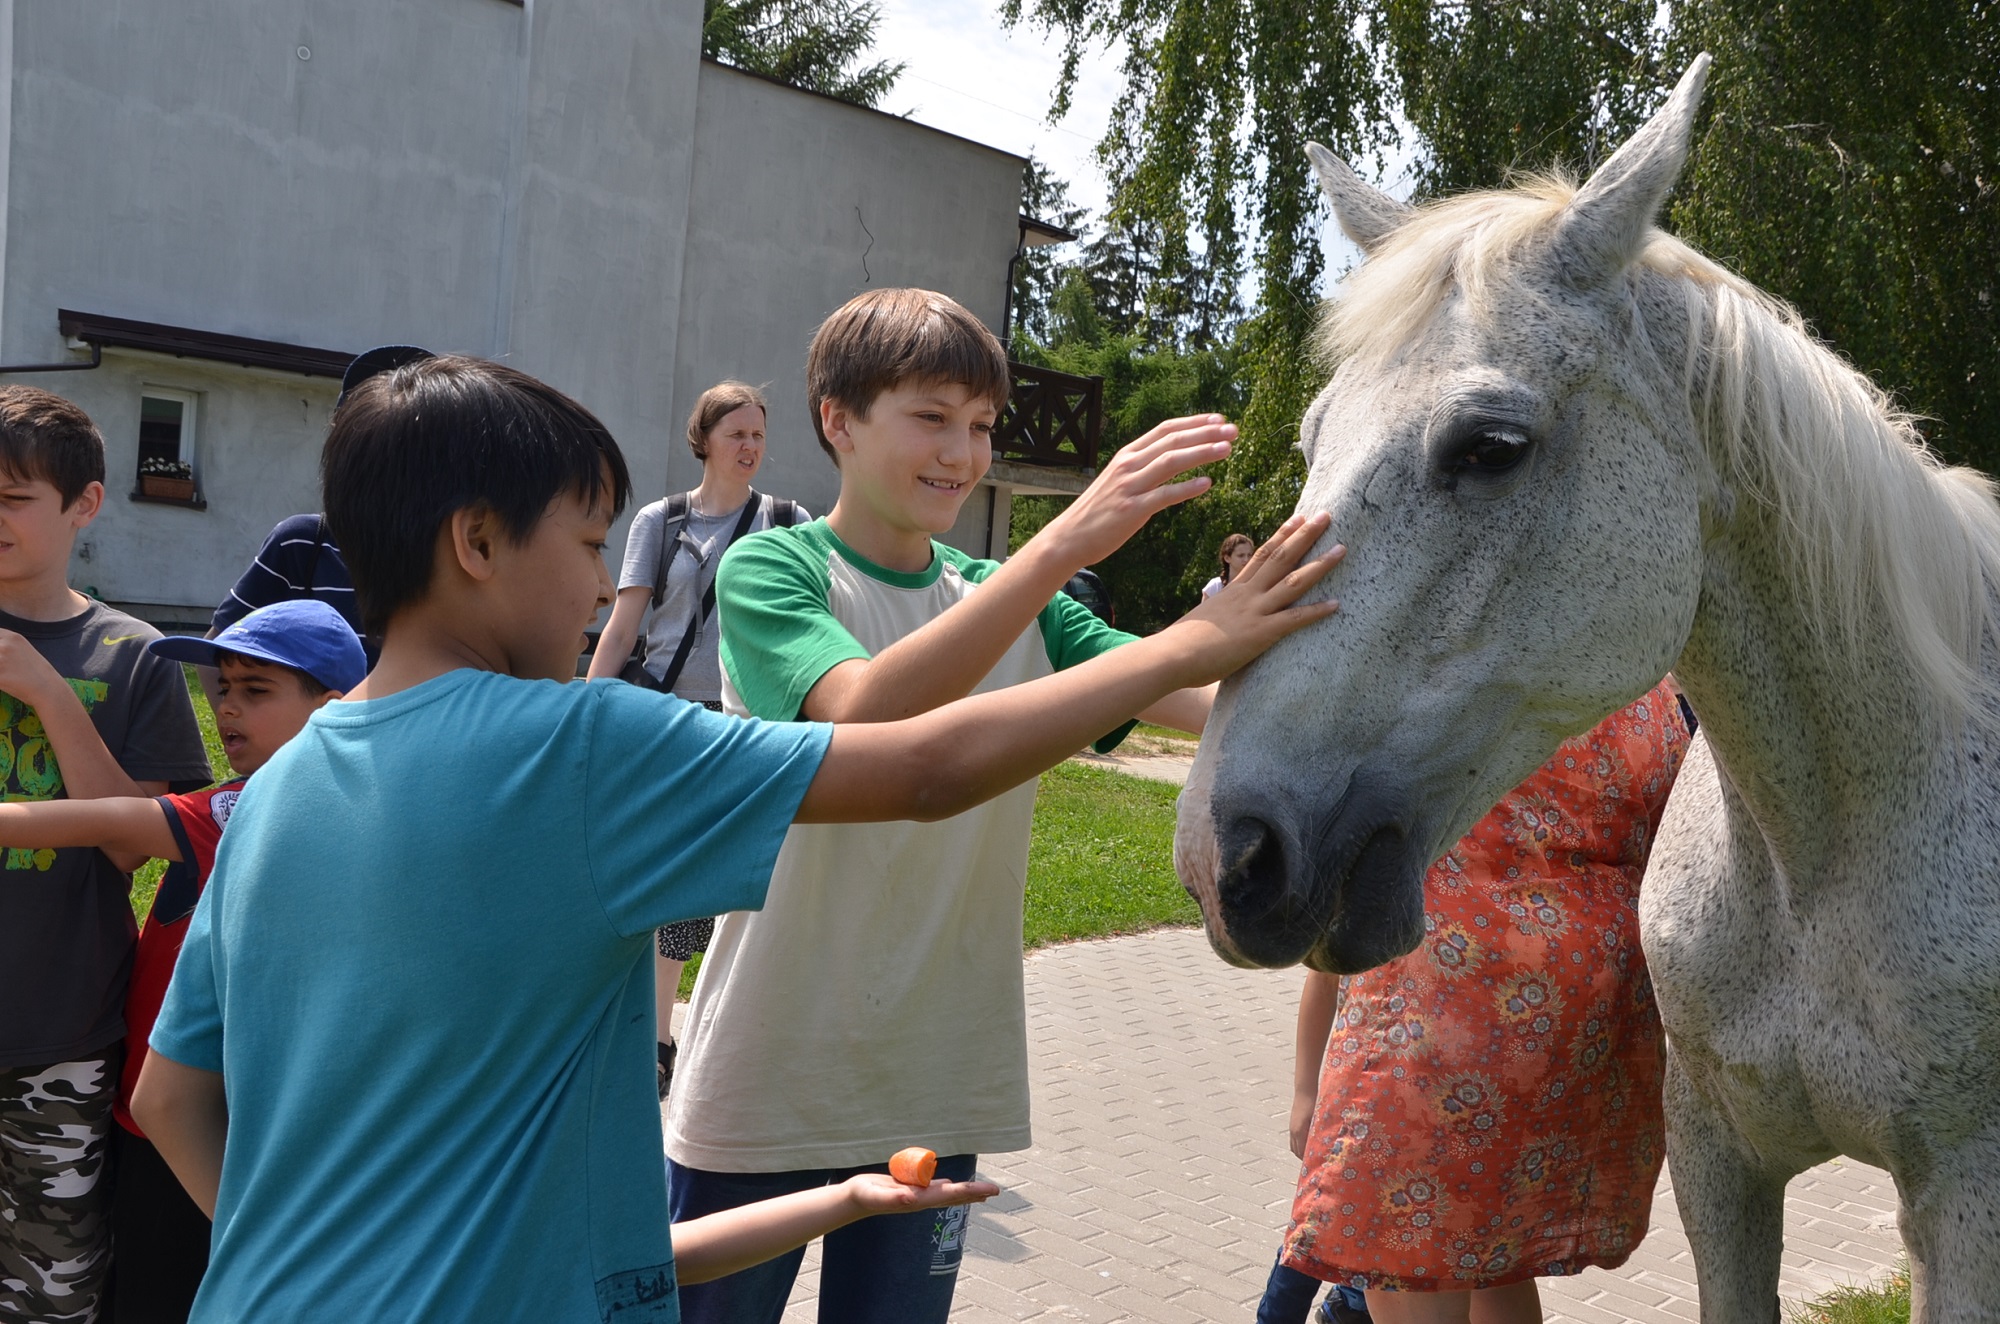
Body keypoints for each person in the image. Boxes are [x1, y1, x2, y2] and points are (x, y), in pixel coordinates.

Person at [129, 351, 1342, 1323]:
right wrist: (1194, 640)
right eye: (588, 546)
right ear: (478, 542)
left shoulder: (274, 790)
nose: (603, 592)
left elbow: (171, 1095)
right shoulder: (575, 748)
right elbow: (920, 768)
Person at [665, 288, 1341, 1323]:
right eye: (931, 417)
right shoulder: (774, 569)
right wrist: (1060, 547)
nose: (963, 452)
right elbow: (866, 722)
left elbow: (1204, 702)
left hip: (939, 1078)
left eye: (981, 425)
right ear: (838, 421)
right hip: (768, 1074)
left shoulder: (1016, 597)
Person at [0, 599, 364, 1323]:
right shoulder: (281, 807)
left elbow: (106, 821)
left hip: (206, 1126)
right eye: (222, 687)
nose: (226, 707)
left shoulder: (257, 812)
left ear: (332, 708)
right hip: (188, 1121)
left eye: (255, 690)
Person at [1280, 685, 1690, 1323]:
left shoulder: (1453, 654)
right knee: (1497, 1260)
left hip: (1445, 999)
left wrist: (1306, 1084)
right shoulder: (1642, 683)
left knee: (1406, 1253)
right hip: (1589, 1009)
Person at [0, 385, 214, 1324]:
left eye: (15, 499)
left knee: (54, 1289)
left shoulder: (133, 655)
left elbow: (139, 845)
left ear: (85, 504)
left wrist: (49, 692)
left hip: (62, 1036)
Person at [586, 380, 809, 1098]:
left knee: (740, 879)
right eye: (736, 433)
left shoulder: (786, 521)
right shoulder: (662, 520)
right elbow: (623, 626)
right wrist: (584, 711)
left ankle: (721, 1036)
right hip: (666, 719)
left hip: (746, 722)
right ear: (703, 439)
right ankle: (655, 1037)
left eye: (758, 434)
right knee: (668, 877)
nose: (750, 446)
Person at [1203, 531, 1254, 598]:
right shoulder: (1215, 586)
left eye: (1249, 555)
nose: (1246, 560)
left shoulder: (1257, 584)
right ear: (1227, 558)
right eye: (1241, 555)